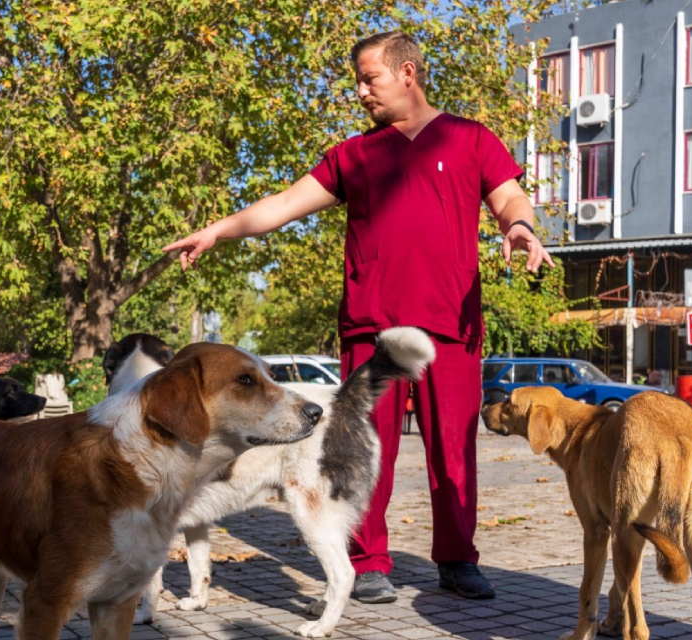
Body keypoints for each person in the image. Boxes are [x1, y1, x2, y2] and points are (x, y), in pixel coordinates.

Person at [163, 31, 553, 602]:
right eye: (358, 81)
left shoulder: (469, 138)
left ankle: (457, 560)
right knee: (365, 448)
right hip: (374, 325)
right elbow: (283, 204)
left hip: (452, 323)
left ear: (407, 74)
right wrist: (220, 230)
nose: (361, 92)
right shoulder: (354, 155)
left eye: (369, 79)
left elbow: (510, 197)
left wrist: (520, 228)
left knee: (455, 449)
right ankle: (368, 561)